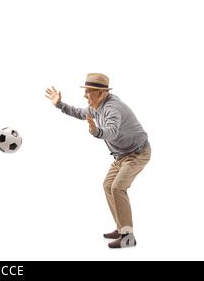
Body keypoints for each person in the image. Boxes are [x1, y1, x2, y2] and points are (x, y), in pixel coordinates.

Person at [45, 73, 151, 248]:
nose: (84, 95)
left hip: (137, 153)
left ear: (101, 93)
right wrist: (59, 104)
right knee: (108, 185)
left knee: (117, 187)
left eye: (88, 92)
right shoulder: (97, 106)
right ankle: (121, 227)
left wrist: (96, 131)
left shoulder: (112, 108)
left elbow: (112, 130)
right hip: (121, 156)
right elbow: (80, 113)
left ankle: (128, 237)